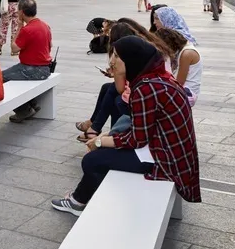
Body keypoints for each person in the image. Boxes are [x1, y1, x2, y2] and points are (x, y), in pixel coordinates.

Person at [53, 35, 200, 215]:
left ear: (131, 59)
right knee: (104, 149)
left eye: (116, 56)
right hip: (169, 150)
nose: (111, 61)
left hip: (166, 160)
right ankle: (81, 198)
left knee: (92, 160)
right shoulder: (157, 78)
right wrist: (106, 137)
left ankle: (79, 202)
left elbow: (137, 140)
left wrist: (100, 141)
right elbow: (142, 127)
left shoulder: (146, 89)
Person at [3, 0, 53, 122]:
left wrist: (19, 27)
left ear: (22, 12)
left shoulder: (27, 30)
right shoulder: (45, 25)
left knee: (1, 78)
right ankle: (33, 103)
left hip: (32, 68)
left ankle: (24, 110)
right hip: (46, 68)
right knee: (13, 73)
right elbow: (50, 45)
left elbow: (14, 48)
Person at [155, 28, 202, 106]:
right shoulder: (181, 50)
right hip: (181, 88)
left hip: (188, 92)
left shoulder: (187, 53)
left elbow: (179, 82)